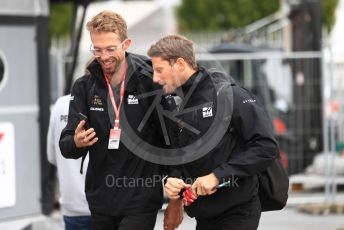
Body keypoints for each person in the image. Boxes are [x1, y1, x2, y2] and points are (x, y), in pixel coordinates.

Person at [59, 11, 182, 230]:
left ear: (126, 43)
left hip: (140, 200)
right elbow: (66, 146)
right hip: (100, 202)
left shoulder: (150, 81)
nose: (103, 56)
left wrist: (176, 200)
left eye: (110, 48)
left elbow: (171, 141)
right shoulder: (84, 86)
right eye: (97, 49)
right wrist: (76, 142)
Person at [147, 34, 279, 230]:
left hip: (238, 212)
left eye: (159, 70)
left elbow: (266, 147)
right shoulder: (176, 105)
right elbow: (178, 159)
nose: (155, 78)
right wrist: (174, 188)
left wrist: (217, 176)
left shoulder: (229, 95)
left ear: (180, 64)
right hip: (204, 217)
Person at [47, 94, 91, 230]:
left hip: (71, 205)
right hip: (105, 206)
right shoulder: (109, 100)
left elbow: (51, 156)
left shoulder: (60, 104)